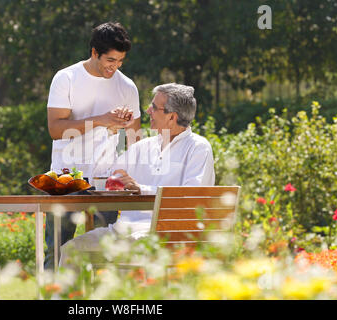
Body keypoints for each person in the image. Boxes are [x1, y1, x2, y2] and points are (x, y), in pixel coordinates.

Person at [59, 83, 215, 268]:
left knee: (113, 256)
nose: (148, 110)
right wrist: (112, 132)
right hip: (121, 233)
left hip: (163, 236)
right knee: (72, 250)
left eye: (155, 107)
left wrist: (141, 188)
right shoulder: (144, 147)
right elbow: (100, 176)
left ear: (172, 117)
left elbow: (191, 196)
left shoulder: (198, 147)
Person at [45, 22, 142, 269]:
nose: (115, 66)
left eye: (121, 61)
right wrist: (101, 120)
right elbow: (56, 129)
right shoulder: (66, 78)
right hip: (65, 177)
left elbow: (135, 141)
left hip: (105, 180)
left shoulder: (127, 87)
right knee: (55, 248)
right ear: (94, 52)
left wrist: (122, 126)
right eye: (110, 60)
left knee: (105, 250)